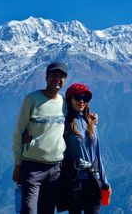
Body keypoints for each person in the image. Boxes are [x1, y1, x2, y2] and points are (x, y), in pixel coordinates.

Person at [12, 61, 68, 214]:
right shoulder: (32, 99)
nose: (57, 79)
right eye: (54, 75)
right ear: (46, 77)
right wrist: (18, 165)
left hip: (55, 167)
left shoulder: (64, 103)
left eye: (61, 76)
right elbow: (19, 132)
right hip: (32, 166)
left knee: (47, 210)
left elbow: (78, 115)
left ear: (65, 80)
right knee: (29, 209)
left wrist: (92, 117)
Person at [61, 83, 111, 214]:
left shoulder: (91, 122)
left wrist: (104, 182)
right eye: (77, 97)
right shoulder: (64, 124)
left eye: (85, 98)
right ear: (69, 100)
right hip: (74, 181)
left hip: (93, 180)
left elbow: (97, 155)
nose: (82, 101)